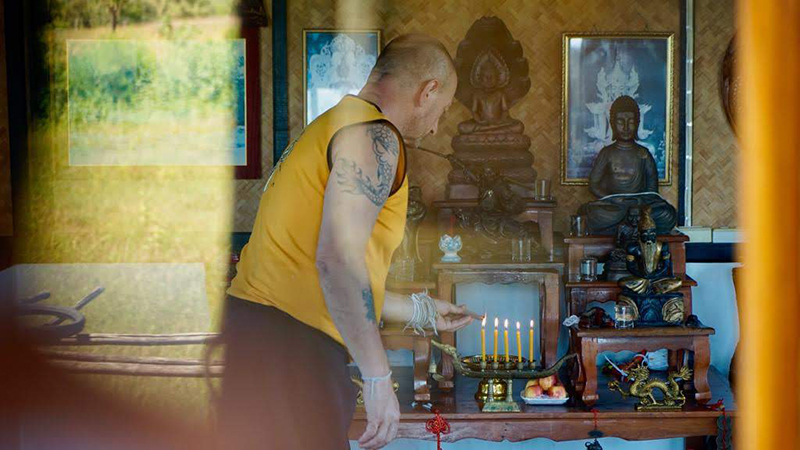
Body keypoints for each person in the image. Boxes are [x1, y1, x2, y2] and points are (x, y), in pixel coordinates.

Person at [218, 34, 478, 450]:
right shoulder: (376, 137)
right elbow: (338, 261)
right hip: (292, 352)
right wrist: (377, 378)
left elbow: (313, 269)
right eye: (441, 111)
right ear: (428, 91)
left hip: (253, 336)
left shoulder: (328, 126)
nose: (434, 126)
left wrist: (419, 309)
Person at [578, 95, 677, 234]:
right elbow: (593, 185)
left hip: (640, 207)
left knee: (668, 213)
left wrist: (638, 204)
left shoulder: (644, 154)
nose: (625, 127)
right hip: (615, 207)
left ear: (637, 123)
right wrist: (616, 199)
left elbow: (652, 191)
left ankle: (626, 226)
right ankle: (635, 227)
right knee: (592, 213)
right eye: (620, 121)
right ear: (612, 123)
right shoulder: (607, 153)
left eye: (630, 121)